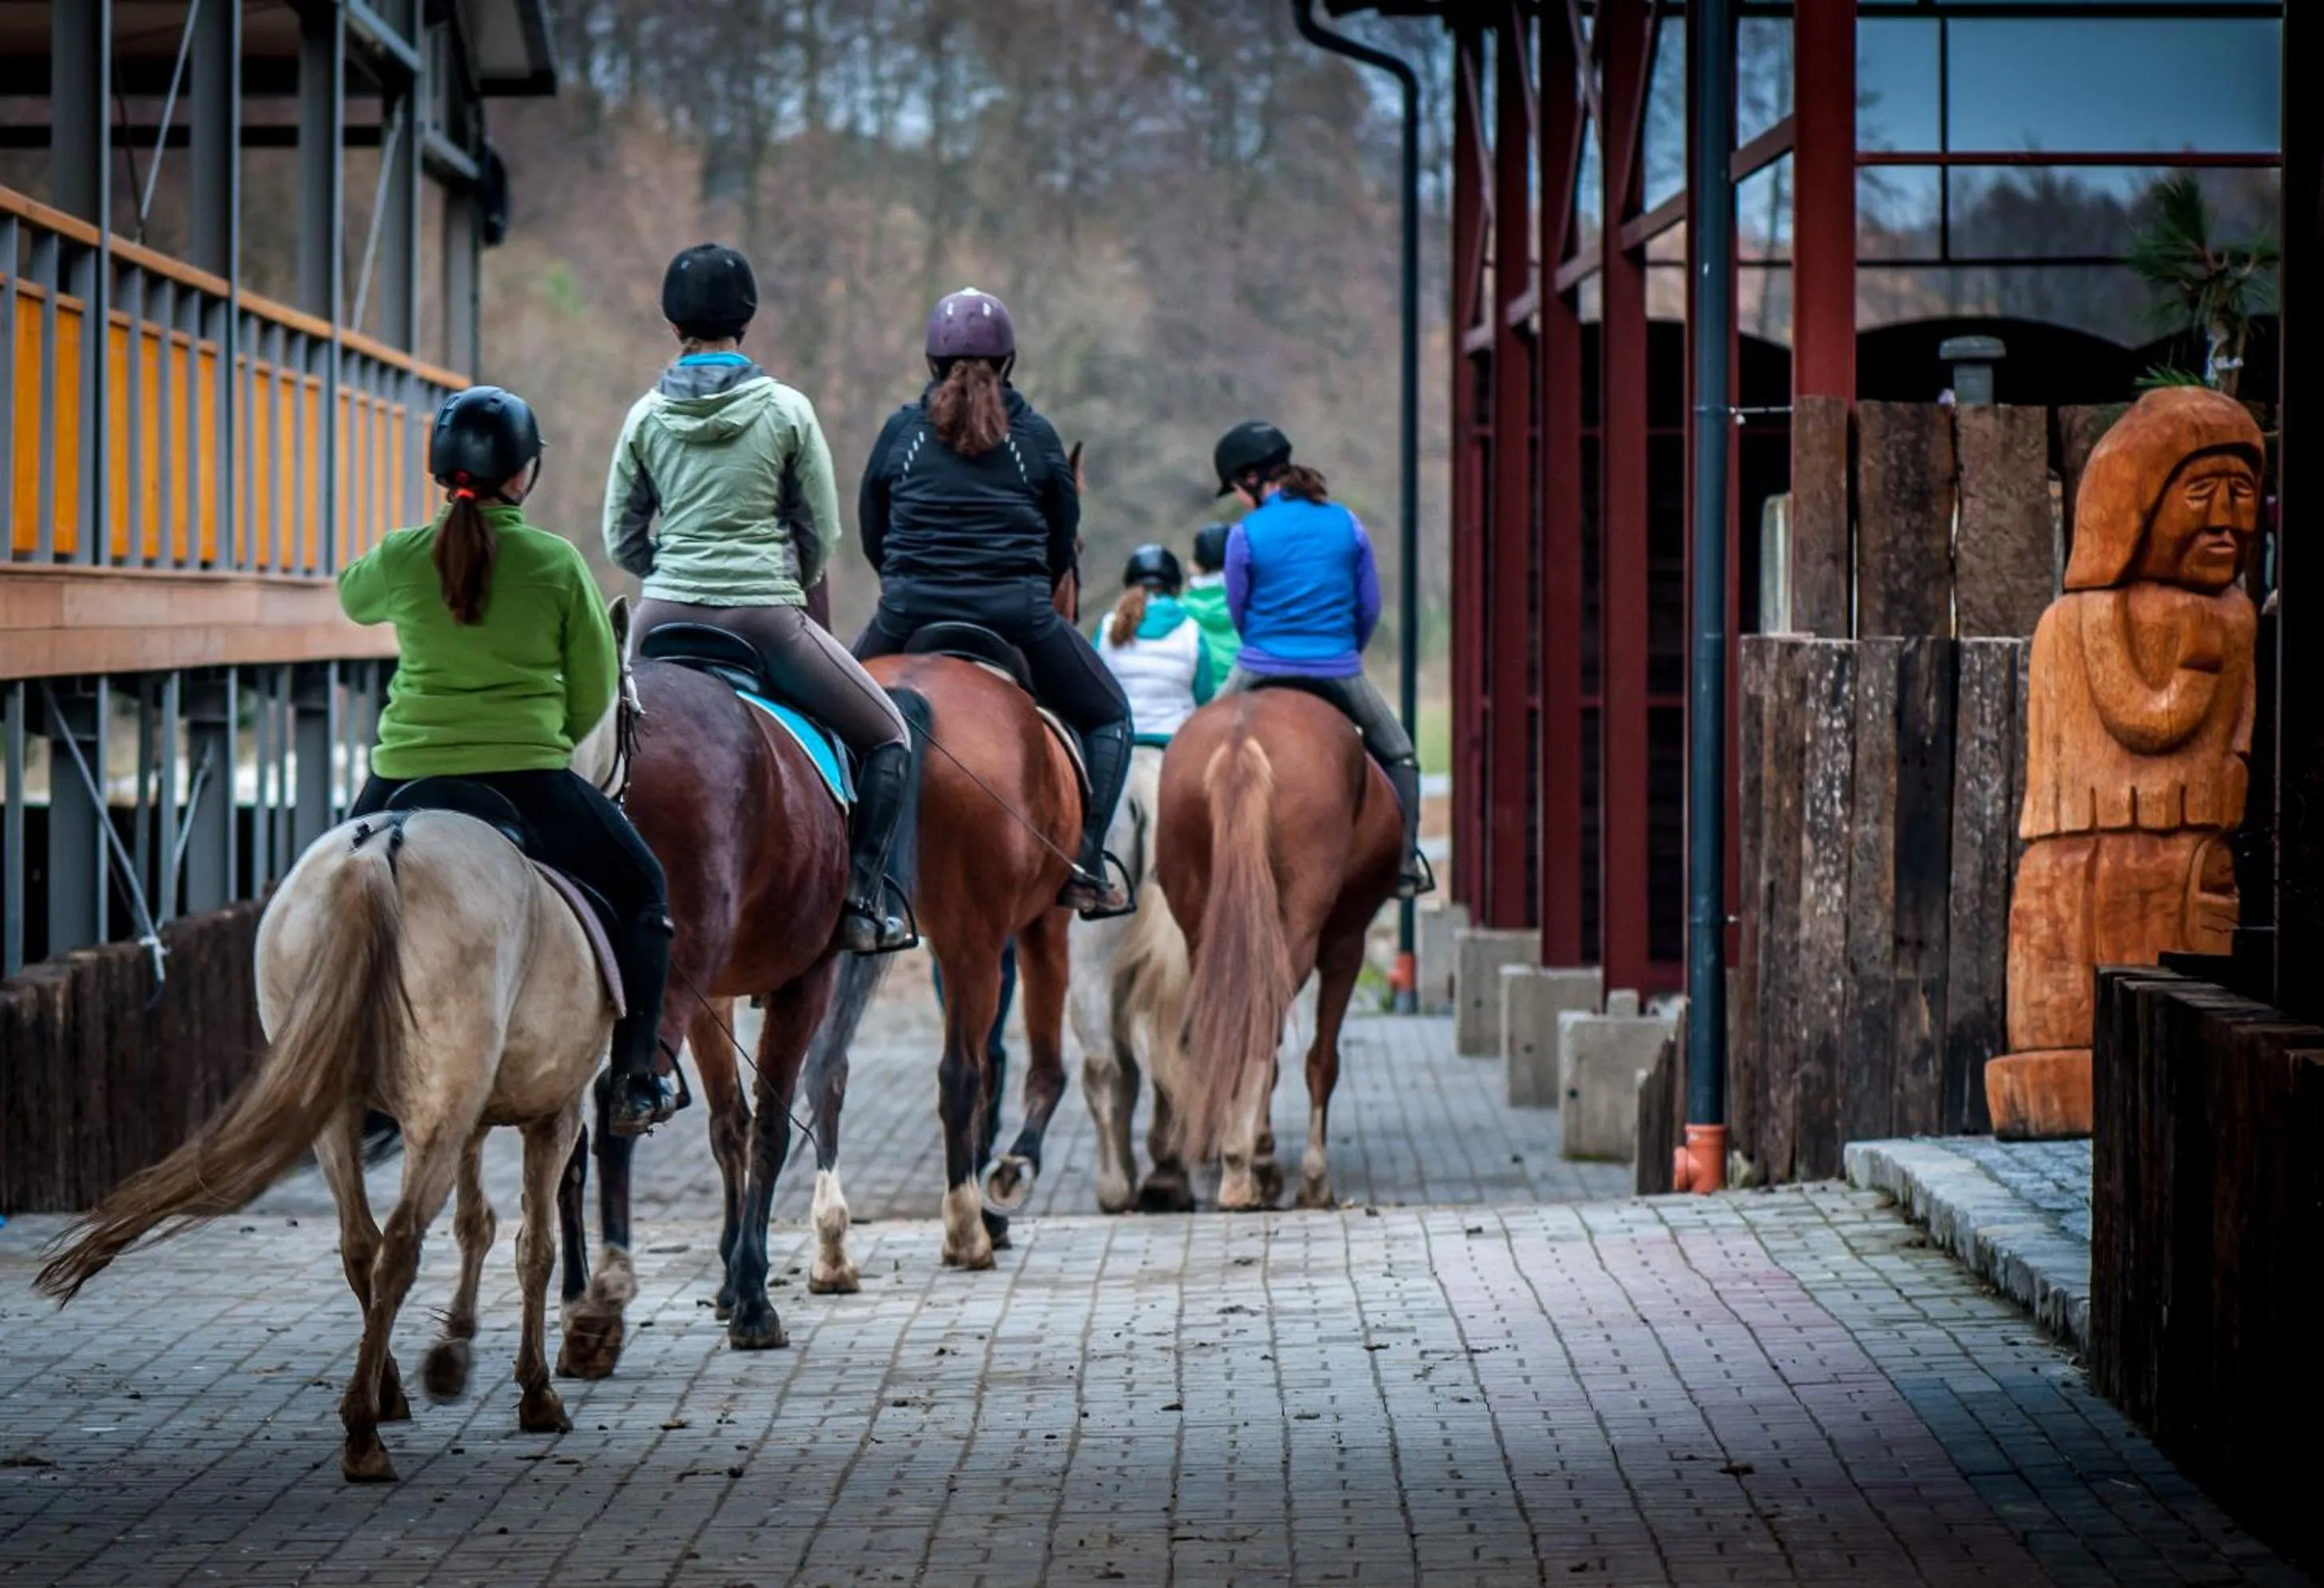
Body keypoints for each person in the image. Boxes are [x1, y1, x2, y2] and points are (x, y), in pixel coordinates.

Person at [339, 386, 678, 1137]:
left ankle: (339, 1071)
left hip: (405, 777)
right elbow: (596, 689)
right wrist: (539, 736)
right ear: (525, 474)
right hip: (527, 781)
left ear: (439, 470)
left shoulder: (402, 555)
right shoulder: (555, 563)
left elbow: (351, 598)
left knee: (333, 901)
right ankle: (635, 1078)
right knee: (645, 891)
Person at [604, 243, 914, 954]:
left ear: (671, 319)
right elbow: (822, 532)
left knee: (598, 748)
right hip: (766, 617)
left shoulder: (644, 416)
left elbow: (621, 536)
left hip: (661, 618)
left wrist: (674, 568)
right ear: (746, 317)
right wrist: (779, 576)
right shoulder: (787, 410)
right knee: (890, 735)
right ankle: (864, 903)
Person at [855, 287, 1134, 914]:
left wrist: (904, 584)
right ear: (1008, 362)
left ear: (931, 360)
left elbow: (873, 526)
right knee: (1112, 714)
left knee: (821, 715)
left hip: (906, 613)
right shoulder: (1035, 438)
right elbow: (1063, 539)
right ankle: (1084, 864)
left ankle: (843, 869)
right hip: (1020, 616)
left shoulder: (901, 433)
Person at [1210, 419, 1430, 899]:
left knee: (1194, 741)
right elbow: (1368, 606)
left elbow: (1240, 609)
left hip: (1260, 663)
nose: (1239, 500)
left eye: (1235, 489)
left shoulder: (1245, 534)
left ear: (1251, 479)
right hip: (1338, 667)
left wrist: (1268, 646)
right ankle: (1407, 863)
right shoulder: (1347, 524)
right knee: (1400, 755)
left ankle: (1176, 860)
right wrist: (1341, 650)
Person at [1093, 543, 1215, 744]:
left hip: (1120, 741)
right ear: (1175, 587)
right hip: (1175, 741)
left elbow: (1095, 686)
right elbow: (1204, 695)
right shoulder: (1191, 629)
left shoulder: (1108, 626)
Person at [1180, 521, 1243, 675]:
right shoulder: (1259, 597)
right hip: (1256, 684)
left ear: (1196, 565)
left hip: (1208, 696)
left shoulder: (1181, 609)